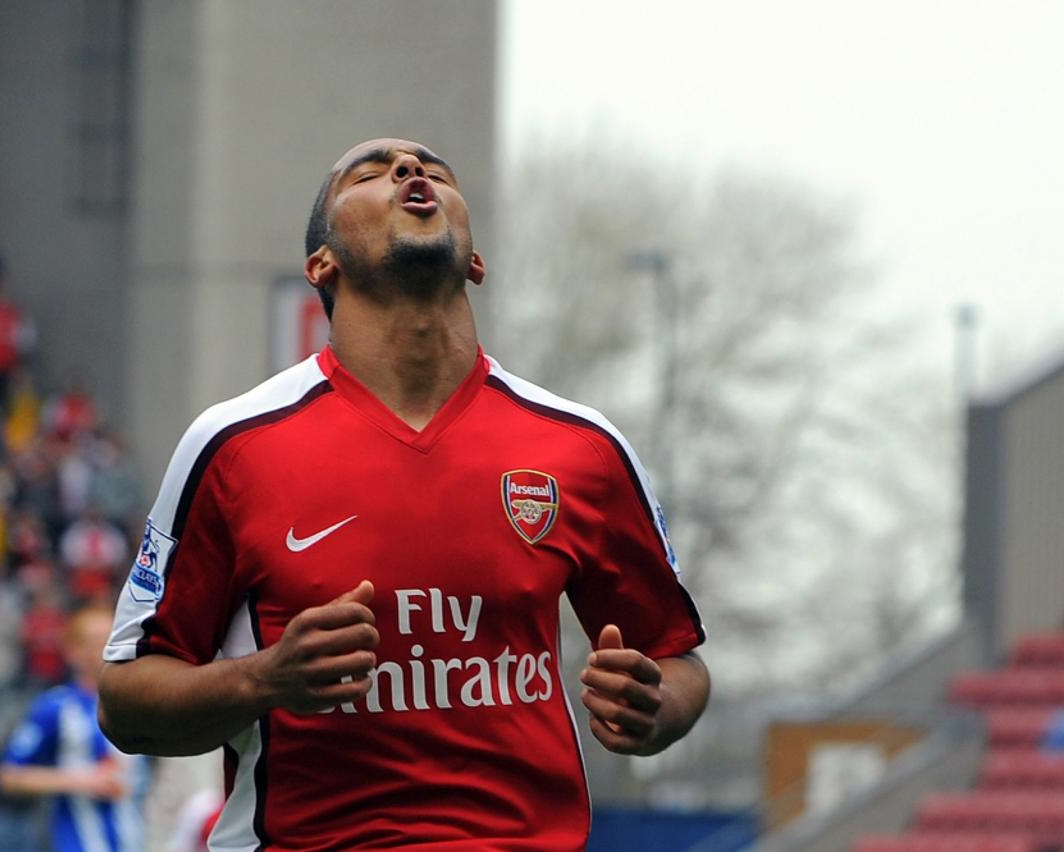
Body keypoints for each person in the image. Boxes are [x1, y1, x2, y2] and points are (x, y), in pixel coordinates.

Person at [99, 138, 710, 849]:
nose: (410, 171)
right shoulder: (233, 445)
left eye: (434, 171)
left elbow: (678, 661)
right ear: (320, 263)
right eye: (369, 172)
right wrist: (264, 679)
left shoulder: (583, 447)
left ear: (475, 261)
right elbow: (125, 703)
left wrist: (653, 709)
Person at [0, 606, 142, 852]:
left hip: (139, 840)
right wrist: (81, 780)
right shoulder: (55, 707)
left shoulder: (138, 704)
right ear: (73, 652)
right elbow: (9, 776)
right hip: (78, 842)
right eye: (97, 641)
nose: (108, 647)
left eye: (114, 637)